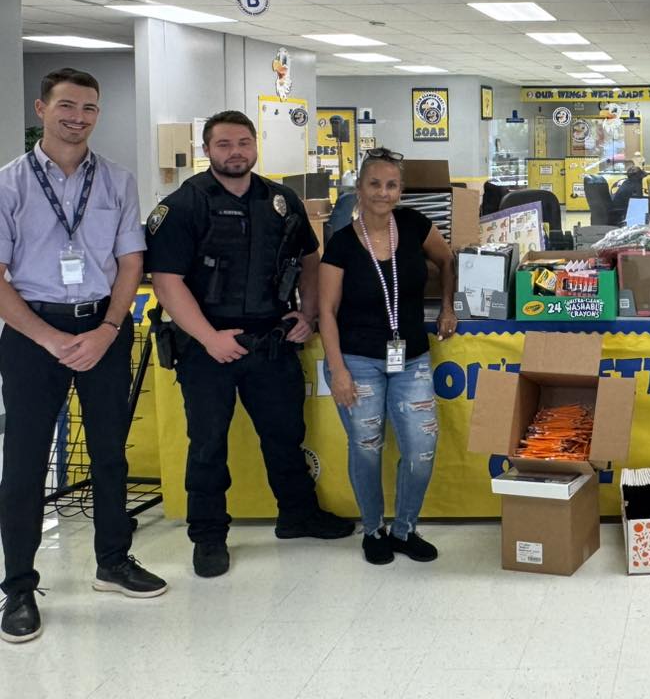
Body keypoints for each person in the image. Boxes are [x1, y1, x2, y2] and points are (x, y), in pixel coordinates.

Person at [146, 110, 353, 579]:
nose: (235, 152)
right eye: (224, 144)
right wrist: (207, 338)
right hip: (207, 347)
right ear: (207, 150)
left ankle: (297, 514)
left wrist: (309, 312)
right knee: (208, 445)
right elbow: (167, 281)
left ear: (255, 146)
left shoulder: (281, 200)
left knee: (285, 436)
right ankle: (208, 536)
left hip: (271, 341)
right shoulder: (183, 205)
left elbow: (309, 258)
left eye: (243, 142)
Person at [0, 69, 167, 643]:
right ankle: (19, 586)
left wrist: (108, 329)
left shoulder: (118, 182)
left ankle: (113, 562)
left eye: (90, 108)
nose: (79, 116)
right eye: (67, 105)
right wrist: (47, 339)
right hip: (31, 331)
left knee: (109, 452)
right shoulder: (9, 185)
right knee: (22, 463)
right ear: (42, 108)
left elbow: (130, 264)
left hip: (104, 326)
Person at [318, 148, 456, 565]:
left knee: (421, 448)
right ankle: (374, 529)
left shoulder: (414, 226)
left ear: (401, 190)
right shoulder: (341, 244)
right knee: (366, 448)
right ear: (359, 189)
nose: (383, 192)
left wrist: (448, 306)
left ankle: (405, 529)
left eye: (392, 184)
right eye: (374, 184)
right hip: (357, 361)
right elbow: (326, 311)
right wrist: (338, 370)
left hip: (411, 357)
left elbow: (448, 259)